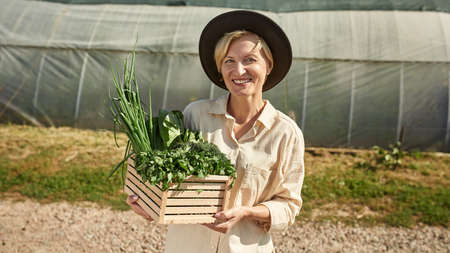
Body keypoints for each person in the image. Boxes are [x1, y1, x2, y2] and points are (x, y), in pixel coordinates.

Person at [127, 10, 305, 253]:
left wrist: (246, 212)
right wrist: (147, 197)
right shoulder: (196, 115)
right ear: (220, 70)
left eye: (250, 60)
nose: (238, 70)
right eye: (229, 61)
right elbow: (167, 178)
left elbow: (288, 205)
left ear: (269, 65)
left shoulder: (285, 133)